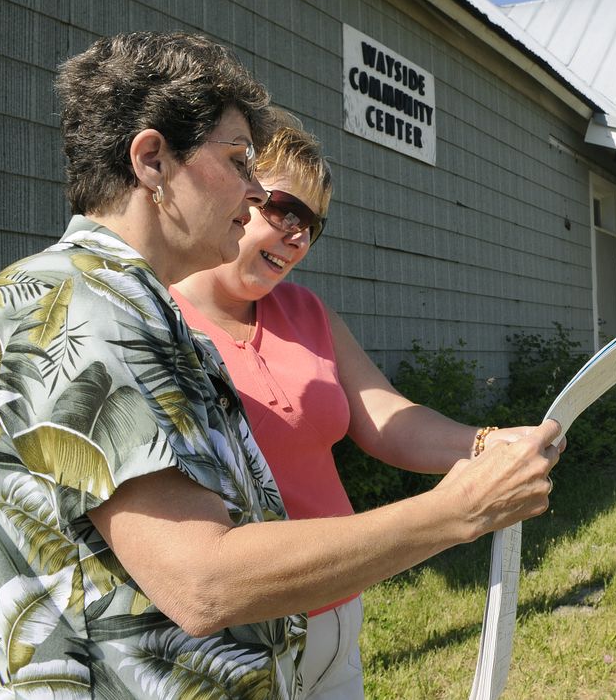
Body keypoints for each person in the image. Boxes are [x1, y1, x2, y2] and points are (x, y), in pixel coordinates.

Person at [0, 32, 560, 699]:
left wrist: (476, 448)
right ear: (153, 159)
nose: (253, 193)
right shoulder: (77, 306)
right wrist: (457, 510)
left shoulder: (129, 305)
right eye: (239, 161)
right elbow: (202, 581)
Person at [172, 120, 552, 699]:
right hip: (239, 634)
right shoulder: (154, 324)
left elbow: (388, 420)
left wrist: (488, 443)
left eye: (313, 226)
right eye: (286, 211)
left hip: (338, 605)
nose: (299, 238)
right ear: (236, 191)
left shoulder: (306, 312)